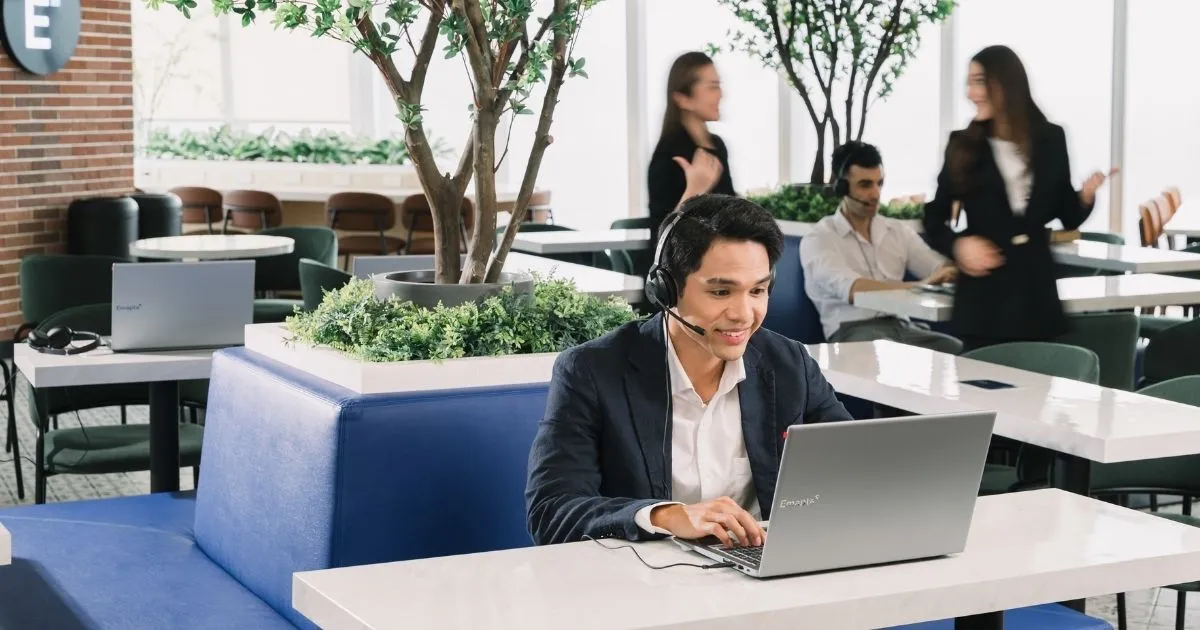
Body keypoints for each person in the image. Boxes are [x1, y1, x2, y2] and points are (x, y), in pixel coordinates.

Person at [526, 194, 852, 548]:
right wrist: (665, 516)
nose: (744, 313)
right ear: (666, 289)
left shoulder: (789, 364)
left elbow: (858, 468)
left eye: (758, 290)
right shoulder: (592, 371)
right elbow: (551, 512)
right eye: (721, 291)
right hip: (647, 583)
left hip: (765, 573)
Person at [923, 45, 1117, 352]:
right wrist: (958, 245)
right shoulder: (962, 145)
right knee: (979, 396)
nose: (970, 93)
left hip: (1035, 296)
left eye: (979, 81)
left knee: (1036, 395)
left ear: (1006, 83)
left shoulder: (1051, 139)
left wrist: (1085, 197)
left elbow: (1066, 214)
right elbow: (934, 217)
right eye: (969, 82)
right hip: (983, 300)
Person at [799, 141, 964, 354]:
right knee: (894, 357)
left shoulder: (897, 231)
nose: (876, 194)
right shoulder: (819, 238)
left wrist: (949, 271)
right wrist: (920, 285)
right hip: (853, 333)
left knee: (959, 351)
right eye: (865, 185)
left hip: (903, 328)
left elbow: (937, 267)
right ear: (841, 188)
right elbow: (853, 289)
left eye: (880, 183)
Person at [647, 52, 736, 238]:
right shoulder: (669, 153)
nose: (721, 94)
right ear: (683, 98)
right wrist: (695, 190)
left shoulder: (718, 146)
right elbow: (663, 241)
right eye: (712, 87)